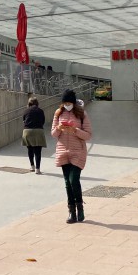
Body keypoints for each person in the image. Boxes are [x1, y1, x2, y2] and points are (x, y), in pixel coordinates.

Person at [51, 89, 92, 224]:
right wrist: (59, 128)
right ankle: (71, 211)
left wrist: (75, 130)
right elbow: (53, 134)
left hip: (77, 151)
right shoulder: (58, 113)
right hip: (63, 150)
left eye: (69, 102)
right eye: (65, 103)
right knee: (67, 183)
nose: (67, 105)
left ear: (73, 102)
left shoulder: (81, 114)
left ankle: (80, 207)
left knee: (74, 179)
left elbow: (88, 135)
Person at [22, 96, 46, 174]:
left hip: (27, 131)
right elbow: (43, 121)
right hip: (38, 131)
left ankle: (32, 166)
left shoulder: (26, 111)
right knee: (38, 151)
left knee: (30, 149)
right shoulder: (40, 111)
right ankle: (37, 169)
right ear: (37, 103)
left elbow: (24, 121)